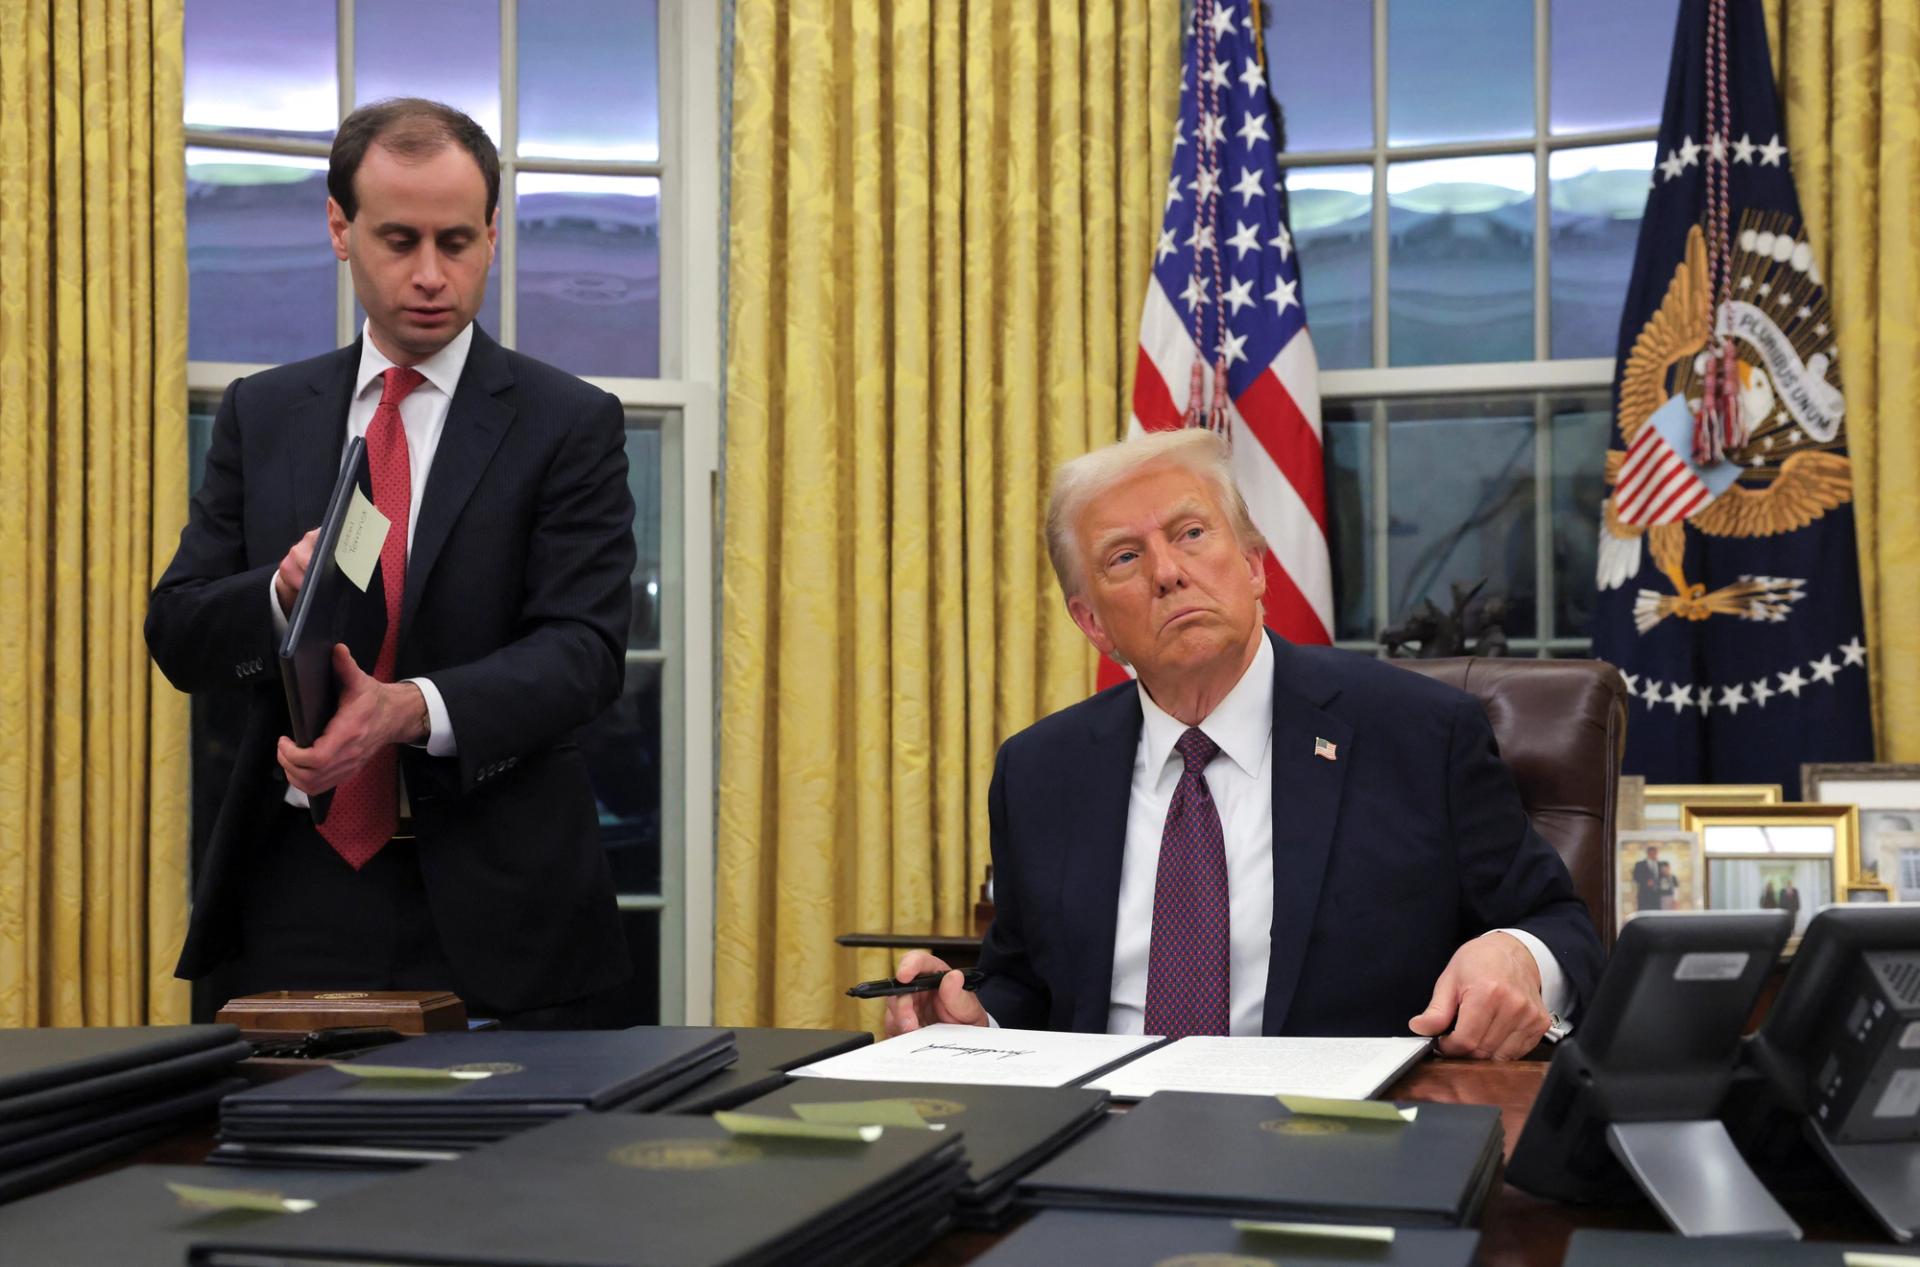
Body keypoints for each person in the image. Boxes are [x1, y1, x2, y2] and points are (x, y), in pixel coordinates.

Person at [146, 99, 635, 1028]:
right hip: (293, 888)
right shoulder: (265, 412)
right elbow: (177, 631)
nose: (429, 275)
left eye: (457, 241)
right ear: (340, 229)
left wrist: (406, 710)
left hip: (504, 906)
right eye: (398, 239)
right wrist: (277, 597)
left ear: (494, 235)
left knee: (516, 1175)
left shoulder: (569, 422)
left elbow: (584, 652)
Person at [888, 429, 1603, 1060]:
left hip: (1337, 1140)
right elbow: (1026, 981)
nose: (1168, 571)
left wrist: (1517, 955)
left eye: (1192, 533)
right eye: (1125, 557)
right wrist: (975, 1017)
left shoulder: (1416, 733)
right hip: (1098, 1139)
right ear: (1093, 623)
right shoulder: (1041, 770)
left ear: (1255, 565)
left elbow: (1562, 925)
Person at [1632, 845, 1663, 913]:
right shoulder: (1640, 864)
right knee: (1644, 914)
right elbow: (1635, 877)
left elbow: (1663, 878)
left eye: (1656, 853)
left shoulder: (1660, 864)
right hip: (1644, 895)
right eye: (1654, 853)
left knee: (1656, 914)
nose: (1655, 855)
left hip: (1657, 895)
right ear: (1649, 853)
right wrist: (1645, 882)